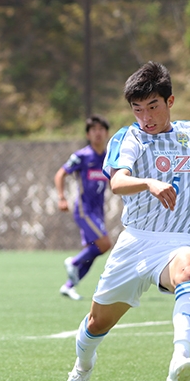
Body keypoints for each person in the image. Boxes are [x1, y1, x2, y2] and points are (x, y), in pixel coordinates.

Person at [64, 61, 190, 381]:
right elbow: (118, 181)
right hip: (135, 243)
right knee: (96, 323)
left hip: (176, 241)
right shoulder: (129, 136)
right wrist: (150, 182)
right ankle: (82, 366)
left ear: (170, 102)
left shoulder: (189, 132)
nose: (146, 117)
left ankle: (179, 358)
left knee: (189, 269)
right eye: (138, 109)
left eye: (153, 107)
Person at [54, 115, 112, 300]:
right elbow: (60, 174)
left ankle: (69, 286)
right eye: (93, 130)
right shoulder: (82, 156)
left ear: (106, 133)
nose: (98, 133)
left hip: (98, 211)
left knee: (94, 251)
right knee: (105, 244)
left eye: (101, 129)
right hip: (84, 210)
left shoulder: (109, 157)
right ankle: (73, 261)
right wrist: (62, 198)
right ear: (88, 134)